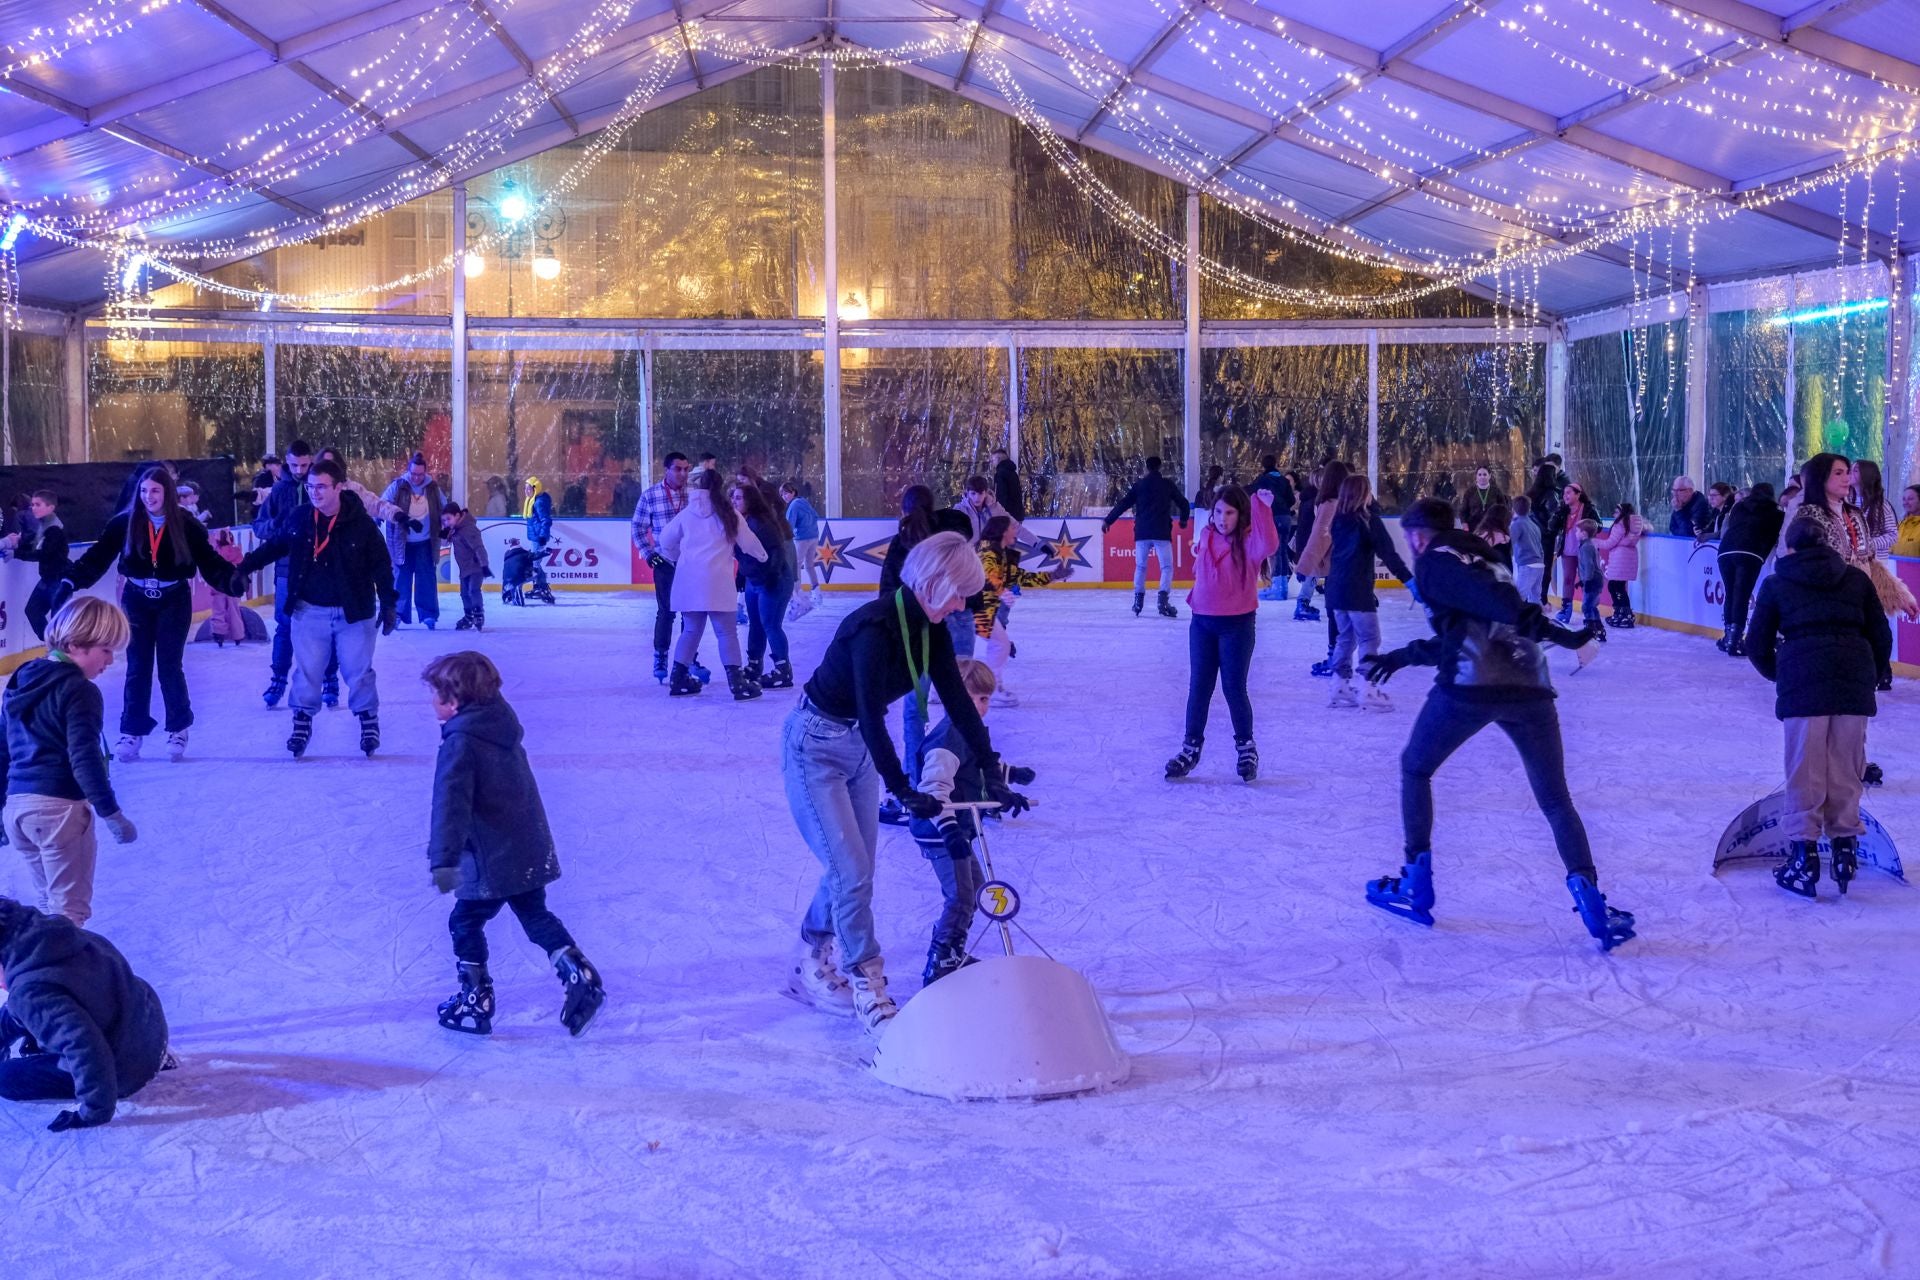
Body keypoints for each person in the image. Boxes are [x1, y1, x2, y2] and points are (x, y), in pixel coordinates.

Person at [1357, 499, 1632, 951]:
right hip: (1529, 681)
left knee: (1415, 768)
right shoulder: (1489, 558)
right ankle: (1591, 895)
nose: (1411, 547)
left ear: (1421, 536)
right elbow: (1470, 626)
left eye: (1411, 539)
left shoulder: (1434, 563)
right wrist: (1403, 657)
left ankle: (1415, 880)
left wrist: (1536, 622)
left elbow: (1495, 612)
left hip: (1471, 684)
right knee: (1555, 798)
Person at [782, 532, 1020, 1038]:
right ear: (934, 584)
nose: (962, 605)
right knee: (851, 872)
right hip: (815, 747)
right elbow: (871, 714)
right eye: (958, 594)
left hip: (859, 752)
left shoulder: (930, 630)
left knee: (854, 868)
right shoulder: (875, 628)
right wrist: (902, 787)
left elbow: (957, 703)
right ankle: (867, 983)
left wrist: (992, 769)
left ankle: (810, 950)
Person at [424, 651, 604, 1037]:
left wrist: (444, 860)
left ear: (453, 700)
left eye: (435, 694)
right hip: (525, 848)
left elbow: (449, 807)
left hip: (490, 858)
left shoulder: (460, 744)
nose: (431, 702)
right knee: (534, 914)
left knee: (465, 920)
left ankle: (475, 1002)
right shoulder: (501, 727)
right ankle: (576, 969)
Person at [1745, 519, 1892, 898]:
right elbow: (1881, 635)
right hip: (1852, 678)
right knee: (1847, 767)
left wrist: (1782, 674)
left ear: (1789, 548)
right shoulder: (1856, 580)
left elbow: (1756, 644)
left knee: (1805, 770)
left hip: (1802, 679)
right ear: (1828, 545)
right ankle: (1845, 851)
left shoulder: (1776, 584)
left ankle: (1803, 856)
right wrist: (1868, 677)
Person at [63, 462, 247, 764]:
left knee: (169, 666)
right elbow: (98, 557)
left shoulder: (186, 524)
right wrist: (72, 579)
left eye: (155, 491)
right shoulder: (123, 523)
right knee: (137, 666)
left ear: (167, 493)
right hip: (136, 599)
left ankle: (178, 727)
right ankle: (131, 731)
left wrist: (231, 579)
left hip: (173, 598)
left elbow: (209, 561)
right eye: (145, 491)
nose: (149, 497)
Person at [237, 458, 399, 759]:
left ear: (339, 487)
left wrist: (389, 602)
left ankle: (368, 721)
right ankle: (301, 722)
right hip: (309, 610)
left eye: (322, 487)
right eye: (311, 487)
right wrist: (245, 567)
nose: (315, 492)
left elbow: (381, 565)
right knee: (308, 672)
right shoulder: (300, 518)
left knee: (358, 672)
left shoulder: (361, 524)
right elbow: (274, 546)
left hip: (354, 612)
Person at [0, 598, 138, 928]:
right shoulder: (80, 690)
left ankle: (42, 971)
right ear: (76, 644)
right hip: (58, 812)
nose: (110, 660)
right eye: (105, 649)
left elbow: (3, 748)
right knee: (69, 915)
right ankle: (57, 978)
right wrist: (112, 814)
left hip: (18, 813)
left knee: (50, 905)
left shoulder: (20, 680)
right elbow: (84, 757)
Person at [908, 657, 1034, 985]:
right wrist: (949, 829)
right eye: (975, 698)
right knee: (961, 895)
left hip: (957, 826)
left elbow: (977, 769)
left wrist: (1011, 776)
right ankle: (941, 961)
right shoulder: (947, 738)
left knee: (975, 890)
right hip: (939, 828)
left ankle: (952, 950)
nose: (982, 705)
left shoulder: (967, 731)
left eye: (986, 698)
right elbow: (934, 789)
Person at [0, 897, 169, 1131]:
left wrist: (93, 1113)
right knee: (14, 1011)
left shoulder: (30, 993)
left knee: (6, 1077)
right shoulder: (58, 936)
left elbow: (85, 1048)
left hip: (124, 1068)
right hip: (148, 1029)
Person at [1165, 484, 1279, 783]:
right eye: (1218, 512)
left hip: (1237, 625)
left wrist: (1262, 507)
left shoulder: (1249, 543)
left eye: (1229, 512)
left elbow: (1269, 544)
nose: (1222, 518)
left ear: (1240, 514)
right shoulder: (1205, 536)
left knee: (1233, 688)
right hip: (1201, 622)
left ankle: (1246, 748)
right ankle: (1190, 748)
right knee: (1199, 687)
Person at [660, 469, 767, 701]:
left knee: (690, 631)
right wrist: (762, 556)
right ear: (720, 487)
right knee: (726, 633)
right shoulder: (728, 514)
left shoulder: (686, 515)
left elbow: (665, 540)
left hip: (689, 583)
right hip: (717, 582)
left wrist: (677, 556)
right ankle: (738, 684)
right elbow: (748, 542)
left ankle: (677, 679)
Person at [1325, 475, 1412, 711]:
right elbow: (1389, 554)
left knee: (1345, 638)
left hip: (1335, 590)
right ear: (1364, 494)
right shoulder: (1368, 521)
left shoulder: (1337, 521)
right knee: (1369, 639)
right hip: (1357, 591)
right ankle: (1368, 688)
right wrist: (1410, 581)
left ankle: (1339, 685)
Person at [973, 515, 1071, 707]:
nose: (1015, 531)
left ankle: (988, 687)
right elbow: (987, 573)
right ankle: (987, 689)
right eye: (1012, 528)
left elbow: (1021, 577)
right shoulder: (987, 551)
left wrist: (1052, 576)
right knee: (989, 647)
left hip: (982, 609)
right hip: (974, 608)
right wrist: (1000, 591)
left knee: (998, 645)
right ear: (1003, 531)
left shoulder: (1001, 554)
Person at [254, 440, 315, 708]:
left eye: (304, 465)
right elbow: (259, 527)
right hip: (287, 570)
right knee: (285, 626)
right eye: (294, 465)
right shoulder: (279, 490)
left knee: (324, 626)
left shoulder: (320, 485)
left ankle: (329, 680)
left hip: (318, 568)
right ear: (286, 463)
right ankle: (278, 680)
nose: (299, 470)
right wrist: (277, 524)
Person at [1102, 456, 1191, 619]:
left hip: (1142, 532)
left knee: (1141, 566)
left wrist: (1108, 521)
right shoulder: (1167, 485)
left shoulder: (1139, 485)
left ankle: (1138, 600)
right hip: (1161, 532)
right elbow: (1183, 503)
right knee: (1166, 567)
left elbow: (1123, 504)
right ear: (1160, 467)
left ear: (1147, 468)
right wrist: (1184, 519)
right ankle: (1163, 601)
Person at [633, 452, 694, 684]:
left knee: (691, 612)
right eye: (678, 469)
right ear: (666, 469)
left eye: (686, 469)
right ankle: (660, 656)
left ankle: (689, 657)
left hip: (691, 564)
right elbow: (637, 528)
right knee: (666, 612)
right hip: (665, 563)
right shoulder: (651, 496)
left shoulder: (694, 497)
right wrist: (649, 555)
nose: (683, 473)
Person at [733, 481, 796, 690]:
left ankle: (783, 670)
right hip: (755, 580)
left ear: (750, 501)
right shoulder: (741, 522)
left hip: (773, 580)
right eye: (733, 497)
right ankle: (754, 665)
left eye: (739, 497)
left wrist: (771, 576)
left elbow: (777, 552)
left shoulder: (761, 523)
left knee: (770, 624)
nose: (734, 501)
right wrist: (742, 577)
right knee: (756, 623)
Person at [379, 453, 445, 630]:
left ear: (425, 472)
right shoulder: (399, 486)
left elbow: (443, 508)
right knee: (401, 579)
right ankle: (398, 613)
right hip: (401, 542)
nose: (416, 478)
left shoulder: (432, 488)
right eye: (413, 474)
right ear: (408, 471)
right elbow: (383, 504)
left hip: (425, 541)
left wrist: (447, 526)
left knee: (427, 578)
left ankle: (429, 614)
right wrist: (377, 518)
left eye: (420, 474)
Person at [1717, 483, 1782, 655]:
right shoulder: (1777, 513)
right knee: (1742, 595)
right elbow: (1777, 537)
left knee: (1730, 594)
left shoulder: (1739, 507)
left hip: (1725, 551)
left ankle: (1728, 637)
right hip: (1750, 553)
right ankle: (1736, 641)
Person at [2, 490, 69, 641]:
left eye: (38, 505)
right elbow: (36, 548)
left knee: (58, 620)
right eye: (32, 504)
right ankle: (53, 645)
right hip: (48, 580)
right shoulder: (44, 526)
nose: (33, 508)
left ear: (51, 507)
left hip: (59, 581)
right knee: (33, 611)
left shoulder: (54, 530)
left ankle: (60, 652)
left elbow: (43, 553)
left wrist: (16, 554)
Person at [1248, 456, 1296, 599]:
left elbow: (1253, 493)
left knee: (1274, 550)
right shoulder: (1284, 481)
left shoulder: (1262, 480)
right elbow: (1291, 500)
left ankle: (1277, 586)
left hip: (1272, 517)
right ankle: (1283, 586)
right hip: (1286, 518)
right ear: (1276, 464)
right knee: (1282, 551)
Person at [1548, 481, 1596, 624]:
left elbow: (1598, 525)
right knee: (1568, 580)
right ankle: (1566, 609)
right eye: (1564, 493)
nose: (1565, 496)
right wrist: (1558, 512)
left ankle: (1590, 611)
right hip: (1568, 551)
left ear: (1578, 493)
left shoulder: (1588, 509)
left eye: (1568, 493)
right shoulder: (1563, 510)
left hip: (1584, 552)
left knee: (1586, 580)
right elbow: (1552, 526)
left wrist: (1587, 529)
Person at [1597, 501, 1647, 628]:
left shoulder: (1619, 525)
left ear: (1622, 513)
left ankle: (1624, 613)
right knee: (1618, 587)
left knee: (1615, 586)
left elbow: (1609, 544)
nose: (1614, 513)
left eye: (1616, 511)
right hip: (1628, 560)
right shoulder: (1632, 525)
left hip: (1620, 560)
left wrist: (1594, 542)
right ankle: (1623, 613)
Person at [443, 502, 491, 632]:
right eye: (444, 520)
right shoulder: (455, 529)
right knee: (464, 593)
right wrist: (445, 532)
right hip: (464, 569)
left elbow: (479, 547)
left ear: (457, 515)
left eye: (448, 519)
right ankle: (469, 616)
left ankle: (478, 613)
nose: (446, 522)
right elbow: (443, 543)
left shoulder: (468, 529)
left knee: (473, 591)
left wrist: (484, 565)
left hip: (476, 567)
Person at [782, 479, 824, 608]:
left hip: (802, 539)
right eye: (782, 494)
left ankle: (797, 592)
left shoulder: (794, 505)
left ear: (793, 492)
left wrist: (784, 536)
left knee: (796, 565)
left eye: (786, 493)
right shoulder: (805, 502)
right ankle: (816, 591)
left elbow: (789, 524)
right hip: (814, 537)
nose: (784, 497)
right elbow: (815, 516)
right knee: (809, 565)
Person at [1852, 459, 1899, 561]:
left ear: (1866, 475)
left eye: (1855, 470)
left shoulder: (1881, 505)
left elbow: (1893, 535)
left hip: (1876, 563)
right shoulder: (1847, 501)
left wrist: (1869, 544)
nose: (1850, 472)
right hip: (1854, 563)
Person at [951, 474, 1020, 543]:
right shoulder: (959, 510)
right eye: (973, 493)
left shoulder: (995, 507)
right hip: (968, 552)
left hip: (989, 551)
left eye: (980, 493)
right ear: (967, 493)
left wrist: (1031, 541)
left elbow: (1014, 525)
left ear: (986, 493)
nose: (977, 498)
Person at [1509, 494, 1546, 606]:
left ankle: (1514, 622)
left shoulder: (1517, 524)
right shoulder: (1534, 526)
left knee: (1519, 597)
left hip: (1528, 564)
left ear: (1513, 508)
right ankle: (1538, 621)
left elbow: (1511, 541)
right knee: (1535, 597)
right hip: (1539, 565)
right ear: (1529, 509)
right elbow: (1540, 547)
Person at [1575, 519, 1606, 628]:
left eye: (1577, 531)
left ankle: (1591, 627)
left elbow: (1589, 566)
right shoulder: (1588, 545)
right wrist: (1581, 581)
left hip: (1592, 581)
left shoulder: (1586, 547)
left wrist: (1587, 581)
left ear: (1583, 534)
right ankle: (1597, 627)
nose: (1575, 533)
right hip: (1594, 580)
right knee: (1592, 606)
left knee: (1587, 606)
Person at [1457, 464, 1505, 532]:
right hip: (1473, 527)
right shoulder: (1470, 491)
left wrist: (1500, 525)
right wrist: (1465, 525)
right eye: (1479, 475)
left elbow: (1503, 509)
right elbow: (1463, 511)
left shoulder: (1496, 491)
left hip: (1492, 527)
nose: (1482, 477)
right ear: (1476, 477)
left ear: (1489, 476)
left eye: (1485, 474)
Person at [990, 446, 1026, 523]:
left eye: (992, 460)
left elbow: (1001, 495)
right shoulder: (1013, 473)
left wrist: (999, 513)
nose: (992, 463)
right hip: (1017, 514)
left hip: (1007, 516)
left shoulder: (1000, 474)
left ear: (998, 459)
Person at [1895, 484, 1920, 558]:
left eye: (1910, 499)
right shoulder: (1900, 525)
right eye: (1904, 499)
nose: (1905, 502)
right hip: (1898, 569)